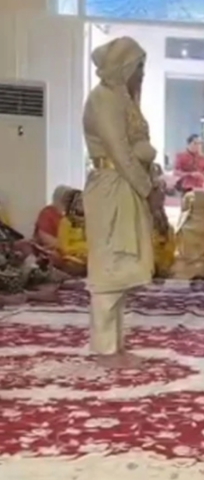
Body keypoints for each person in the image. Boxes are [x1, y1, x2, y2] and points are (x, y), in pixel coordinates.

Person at [83, 36, 166, 369]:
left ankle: (115, 347)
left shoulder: (123, 100)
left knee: (122, 268)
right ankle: (105, 351)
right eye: (139, 67)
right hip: (110, 188)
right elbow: (120, 152)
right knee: (109, 267)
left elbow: (138, 150)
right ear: (123, 67)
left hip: (125, 187)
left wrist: (149, 183)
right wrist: (148, 190)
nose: (142, 74)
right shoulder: (102, 99)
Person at [170, 190, 204, 279]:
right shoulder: (184, 218)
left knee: (200, 269)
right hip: (183, 259)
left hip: (202, 259)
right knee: (176, 269)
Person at [33, 185, 72, 265]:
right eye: (67, 199)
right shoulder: (47, 213)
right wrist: (69, 248)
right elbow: (45, 238)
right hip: (51, 251)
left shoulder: (73, 216)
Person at [57, 189, 88, 277]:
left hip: (89, 257)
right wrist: (80, 252)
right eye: (79, 202)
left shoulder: (90, 221)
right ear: (72, 204)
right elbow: (63, 247)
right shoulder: (65, 222)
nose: (82, 204)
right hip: (72, 258)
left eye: (84, 201)